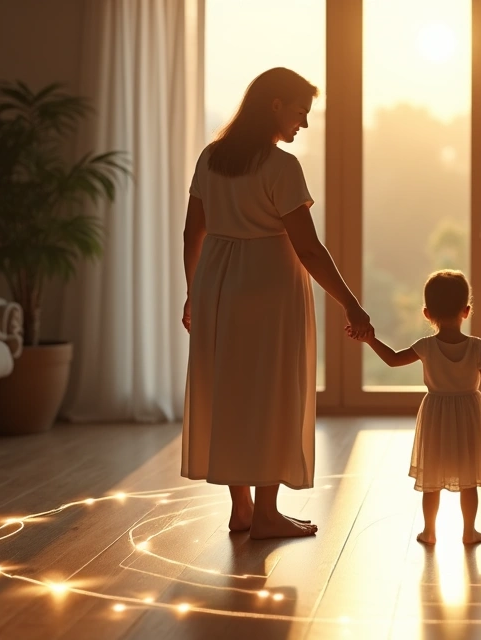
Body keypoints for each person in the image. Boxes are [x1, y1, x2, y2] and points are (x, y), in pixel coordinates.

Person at [181, 67, 373, 540]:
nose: (303, 124)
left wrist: (195, 292)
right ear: (275, 105)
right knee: (271, 394)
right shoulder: (281, 167)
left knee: (230, 393)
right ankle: (266, 513)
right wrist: (352, 305)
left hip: (217, 283)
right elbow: (309, 249)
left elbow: (193, 231)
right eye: (300, 111)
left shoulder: (211, 158)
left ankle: (242, 509)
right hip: (267, 286)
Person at [358, 270, 481, 545]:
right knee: (469, 479)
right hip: (469, 414)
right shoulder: (476, 346)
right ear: (467, 310)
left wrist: (370, 340)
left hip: (436, 413)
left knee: (432, 479)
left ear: (427, 313)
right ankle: (468, 531)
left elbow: (392, 360)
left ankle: (429, 531)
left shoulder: (426, 346)